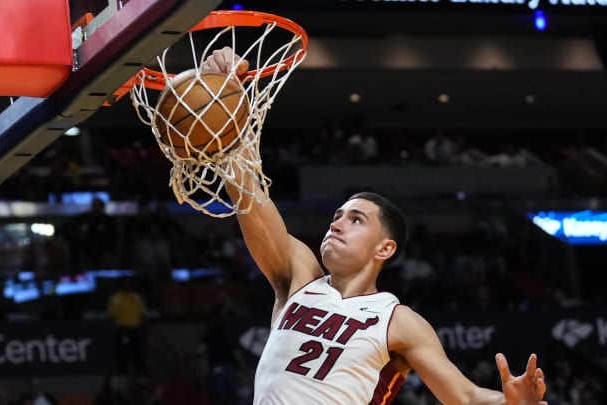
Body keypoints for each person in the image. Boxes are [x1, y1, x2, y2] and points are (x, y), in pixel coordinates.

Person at [194, 47, 548, 404]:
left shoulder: (397, 320)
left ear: (385, 248)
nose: (337, 224)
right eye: (336, 217)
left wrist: (511, 403)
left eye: (355, 219)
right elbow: (250, 196)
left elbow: (467, 396)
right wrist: (224, 97)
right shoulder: (299, 277)